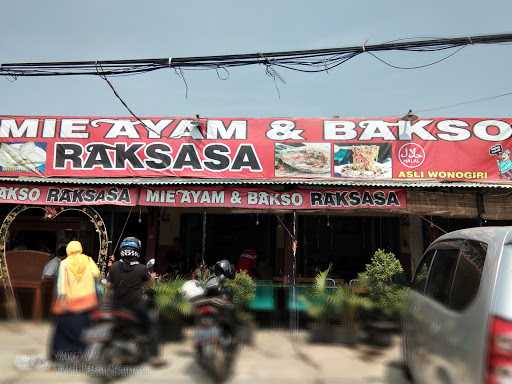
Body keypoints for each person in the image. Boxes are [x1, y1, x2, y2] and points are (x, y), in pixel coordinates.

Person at [106, 236, 166, 368]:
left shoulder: (114, 267)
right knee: (152, 325)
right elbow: (150, 286)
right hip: (136, 306)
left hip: (116, 305)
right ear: (137, 251)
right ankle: (155, 357)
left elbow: (108, 287)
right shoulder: (142, 269)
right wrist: (152, 278)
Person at [50, 241, 100, 362]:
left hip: (71, 300)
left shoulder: (64, 263)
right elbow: (97, 274)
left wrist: (61, 296)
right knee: (84, 325)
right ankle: (81, 351)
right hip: (88, 300)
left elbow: (61, 282)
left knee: (66, 324)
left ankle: (64, 351)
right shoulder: (88, 260)